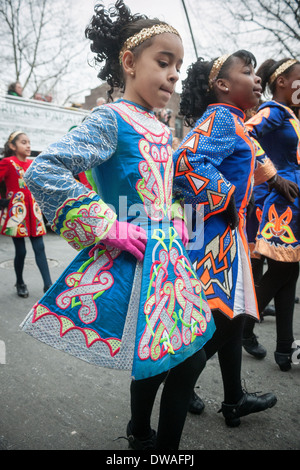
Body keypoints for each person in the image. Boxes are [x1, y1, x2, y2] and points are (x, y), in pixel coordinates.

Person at [20, 0, 215, 450]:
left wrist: (177, 220)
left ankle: (139, 432)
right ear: (129, 62)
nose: (173, 75)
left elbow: (154, 189)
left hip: (169, 258)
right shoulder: (110, 118)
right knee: (183, 362)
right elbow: (43, 169)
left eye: (178, 67)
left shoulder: (160, 126)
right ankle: (155, 445)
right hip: (137, 258)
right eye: (163, 62)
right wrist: (109, 225)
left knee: (168, 358)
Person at [173, 51, 284, 427]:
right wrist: (228, 200)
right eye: (248, 72)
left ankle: (234, 398)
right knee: (222, 320)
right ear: (222, 85)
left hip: (221, 232)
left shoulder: (235, 121)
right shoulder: (222, 117)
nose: (257, 80)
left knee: (233, 318)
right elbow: (186, 163)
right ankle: (179, 383)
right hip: (215, 237)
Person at [244, 58, 300, 371]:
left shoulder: (292, 115)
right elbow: (245, 135)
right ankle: (239, 329)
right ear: (281, 82)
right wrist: (273, 176)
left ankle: (283, 348)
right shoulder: (273, 112)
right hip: (278, 204)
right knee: (280, 271)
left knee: (289, 271)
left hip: (294, 203)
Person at [0, 131, 53, 297]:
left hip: (34, 211)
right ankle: (20, 282)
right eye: (23, 142)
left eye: (29, 142)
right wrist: (1, 202)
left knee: (40, 248)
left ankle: (48, 286)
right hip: (17, 212)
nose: (28, 145)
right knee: (21, 251)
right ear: (12, 146)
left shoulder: (32, 163)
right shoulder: (8, 162)